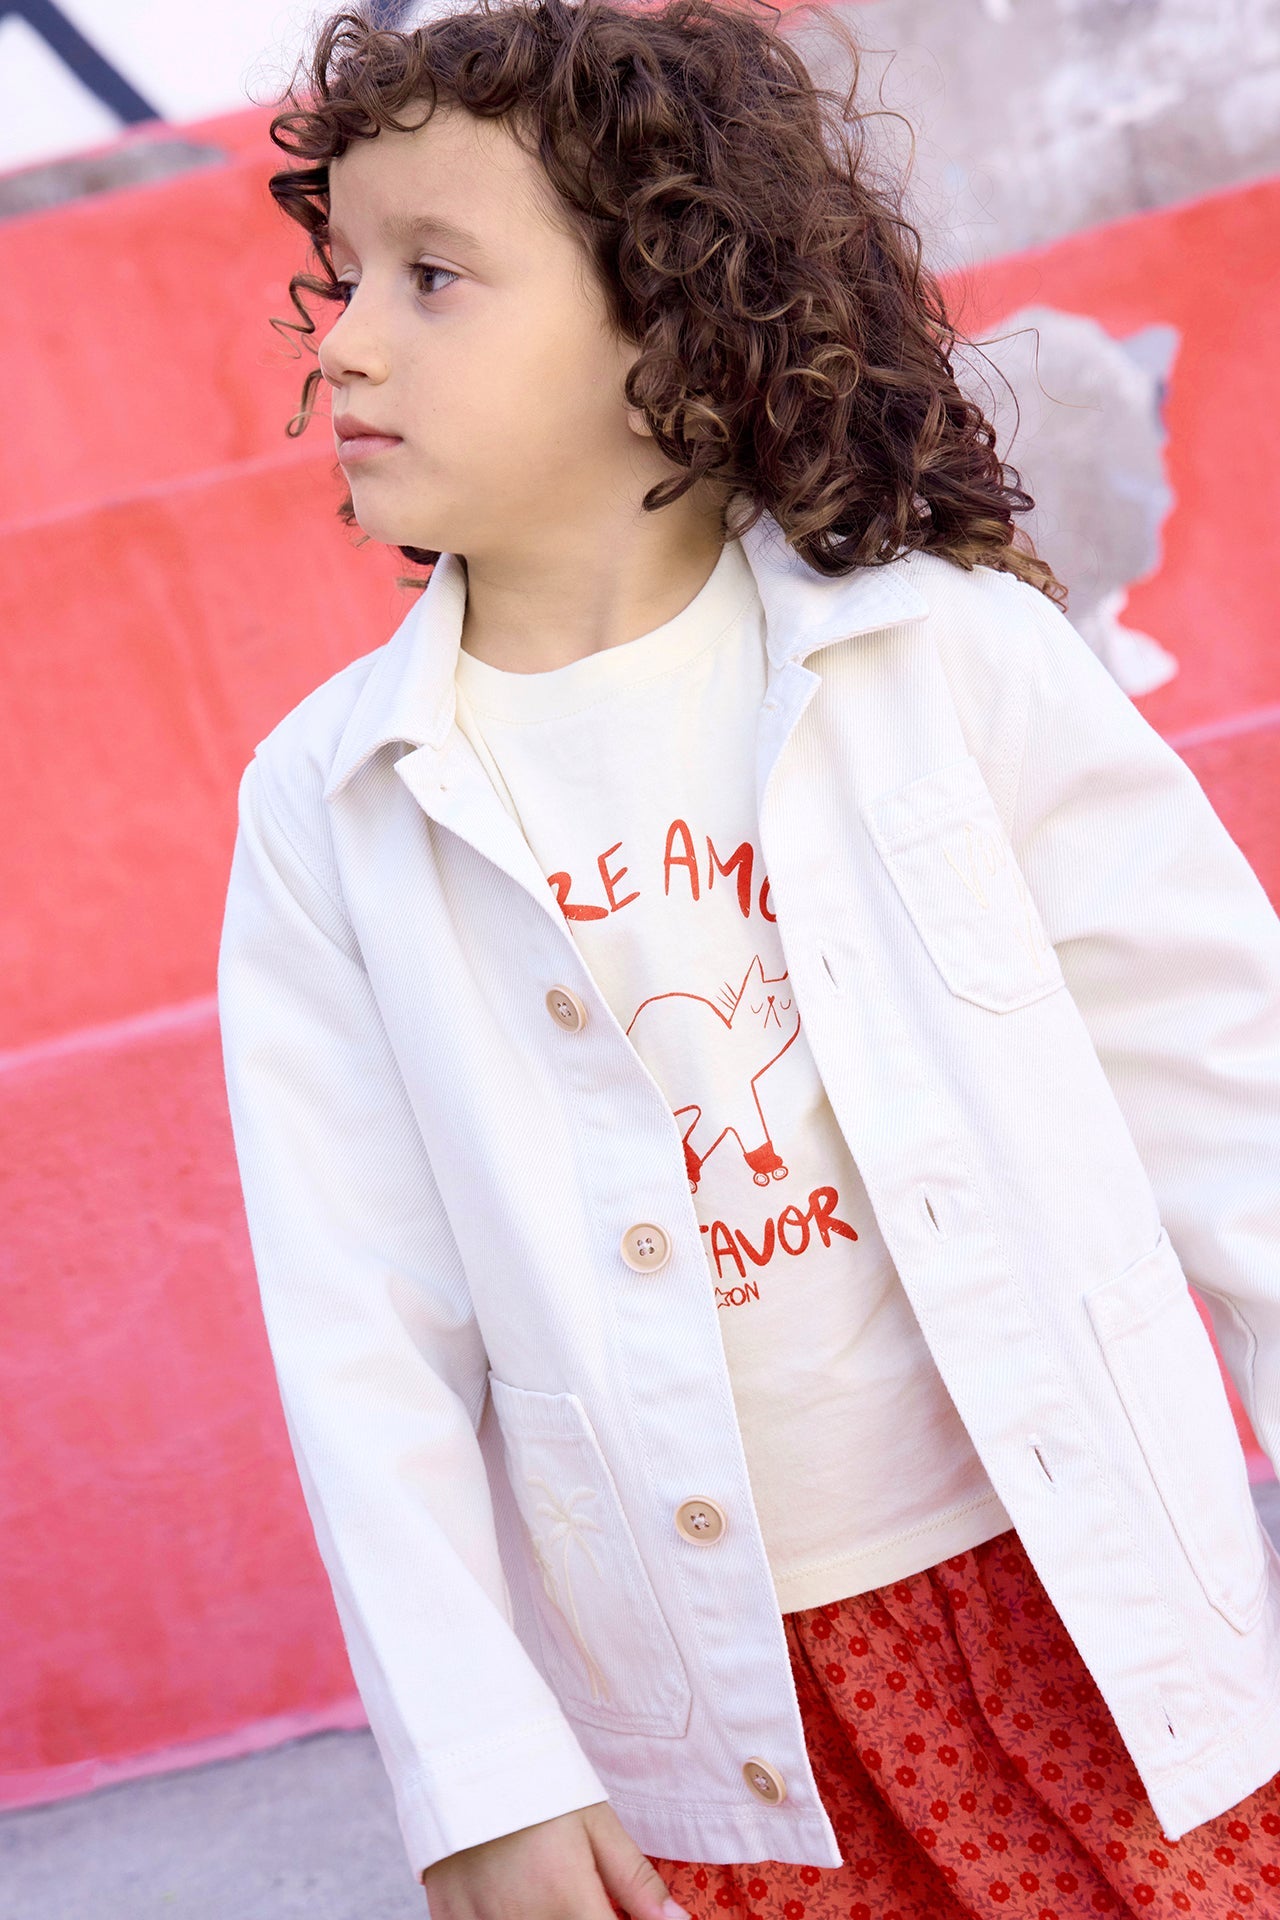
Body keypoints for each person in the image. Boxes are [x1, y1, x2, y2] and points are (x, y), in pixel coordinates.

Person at [215, 2, 1280, 1915]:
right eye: (340, 276)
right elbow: (359, 1337)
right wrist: (483, 1776)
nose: (346, 339)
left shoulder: (941, 653)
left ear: (666, 317)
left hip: (1099, 1608)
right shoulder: (336, 806)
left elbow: (1234, 1101)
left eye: (435, 276)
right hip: (720, 1731)